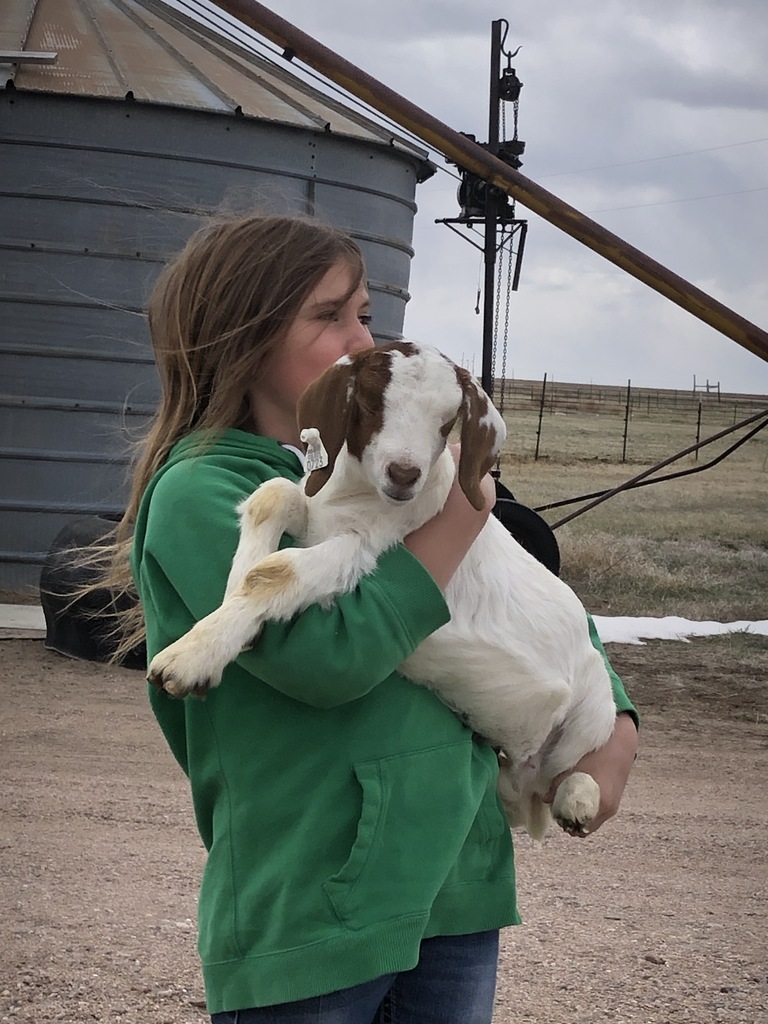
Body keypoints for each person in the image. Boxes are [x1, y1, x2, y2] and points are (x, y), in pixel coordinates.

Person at [114, 211, 638, 1023]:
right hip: (314, 907)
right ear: (241, 338)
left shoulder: (394, 476)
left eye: (364, 314)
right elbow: (327, 659)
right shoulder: (203, 490)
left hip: (455, 886)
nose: (361, 341)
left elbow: (512, 597)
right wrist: (461, 515)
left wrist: (616, 721)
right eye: (329, 317)